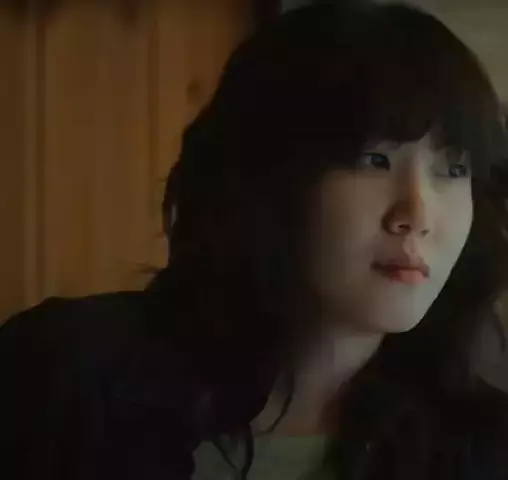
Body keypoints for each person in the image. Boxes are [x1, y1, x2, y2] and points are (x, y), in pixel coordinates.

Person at [1, 2, 508, 479]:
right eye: (373, 159)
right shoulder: (62, 378)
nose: (418, 215)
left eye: (453, 169)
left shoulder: (481, 450)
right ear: (267, 175)